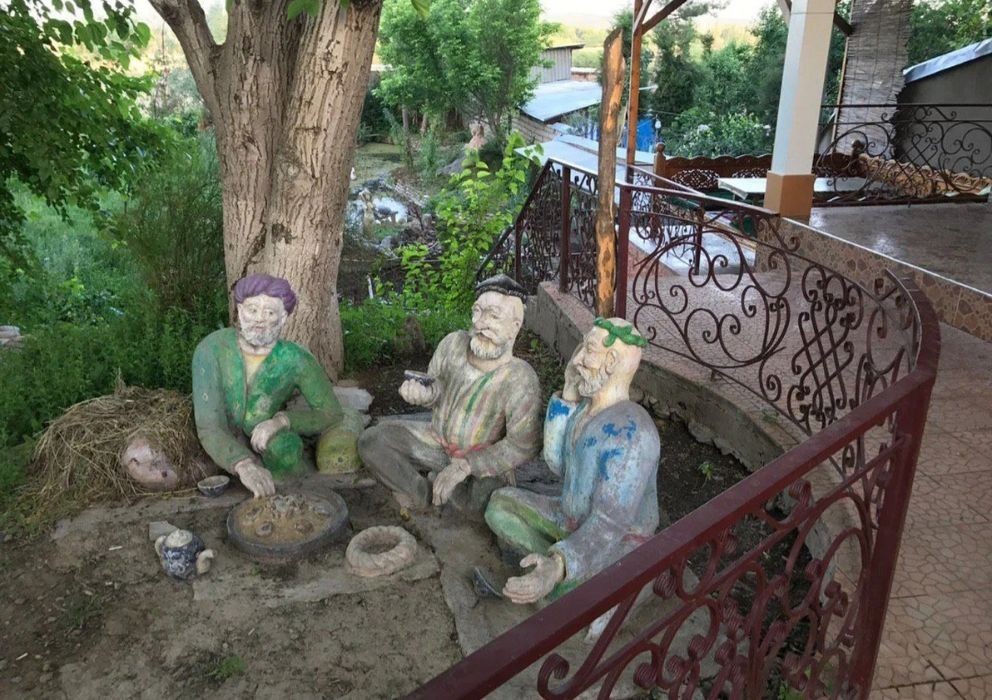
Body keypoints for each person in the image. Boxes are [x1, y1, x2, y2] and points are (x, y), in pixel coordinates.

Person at [485, 318, 661, 605]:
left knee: (586, 591)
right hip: (570, 518)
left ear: (611, 361)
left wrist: (558, 566)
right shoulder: (586, 410)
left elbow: (608, 524)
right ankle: (560, 574)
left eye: (588, 350)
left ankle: (560, 576)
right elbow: (557, 465)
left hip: (616, 540)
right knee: (499, 506)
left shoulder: (632, 433)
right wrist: (568, 391)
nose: (577, 360)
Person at [358, 274, 542, 513]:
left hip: (479, 462)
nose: (480, 323)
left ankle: (450, 487)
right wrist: (425, 394)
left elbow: (523, 445)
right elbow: (436, 385)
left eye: (493, 316)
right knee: (372, 442)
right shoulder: (453, 343)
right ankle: (419, 490)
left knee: (485, 505)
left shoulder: (520, 378)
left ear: (515, 326)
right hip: (434, 442)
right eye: (477, 311)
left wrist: (467, 465)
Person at [192, 274, 344, 497]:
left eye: (270, 313)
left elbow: (331, 413)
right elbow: (209, 425)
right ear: (240, 310)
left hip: (263, 440)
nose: (259, 319)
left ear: (283, 318)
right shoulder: (212, 348)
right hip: (219, 442)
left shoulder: (295, 358)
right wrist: (243, 464)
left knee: (287, 449)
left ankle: (291, 499)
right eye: (252, 310)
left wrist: (281, 421)